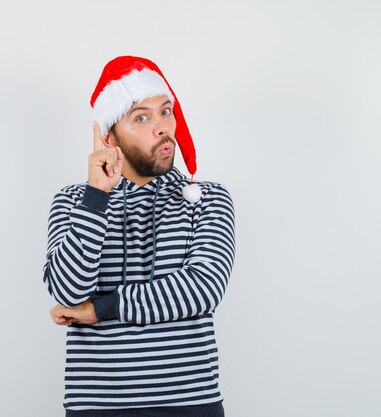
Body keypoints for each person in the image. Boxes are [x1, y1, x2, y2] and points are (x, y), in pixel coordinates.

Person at [42, 55, 236, 417]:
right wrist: (97, 195)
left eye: (166, 111)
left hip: (190, 403)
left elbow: (201, 289)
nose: (162, 127)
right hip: (96, 405)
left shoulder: (206, 198)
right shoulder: (75, 201)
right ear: (109, 135)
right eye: (141, 118)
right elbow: (67, 292)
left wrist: (99, 310)